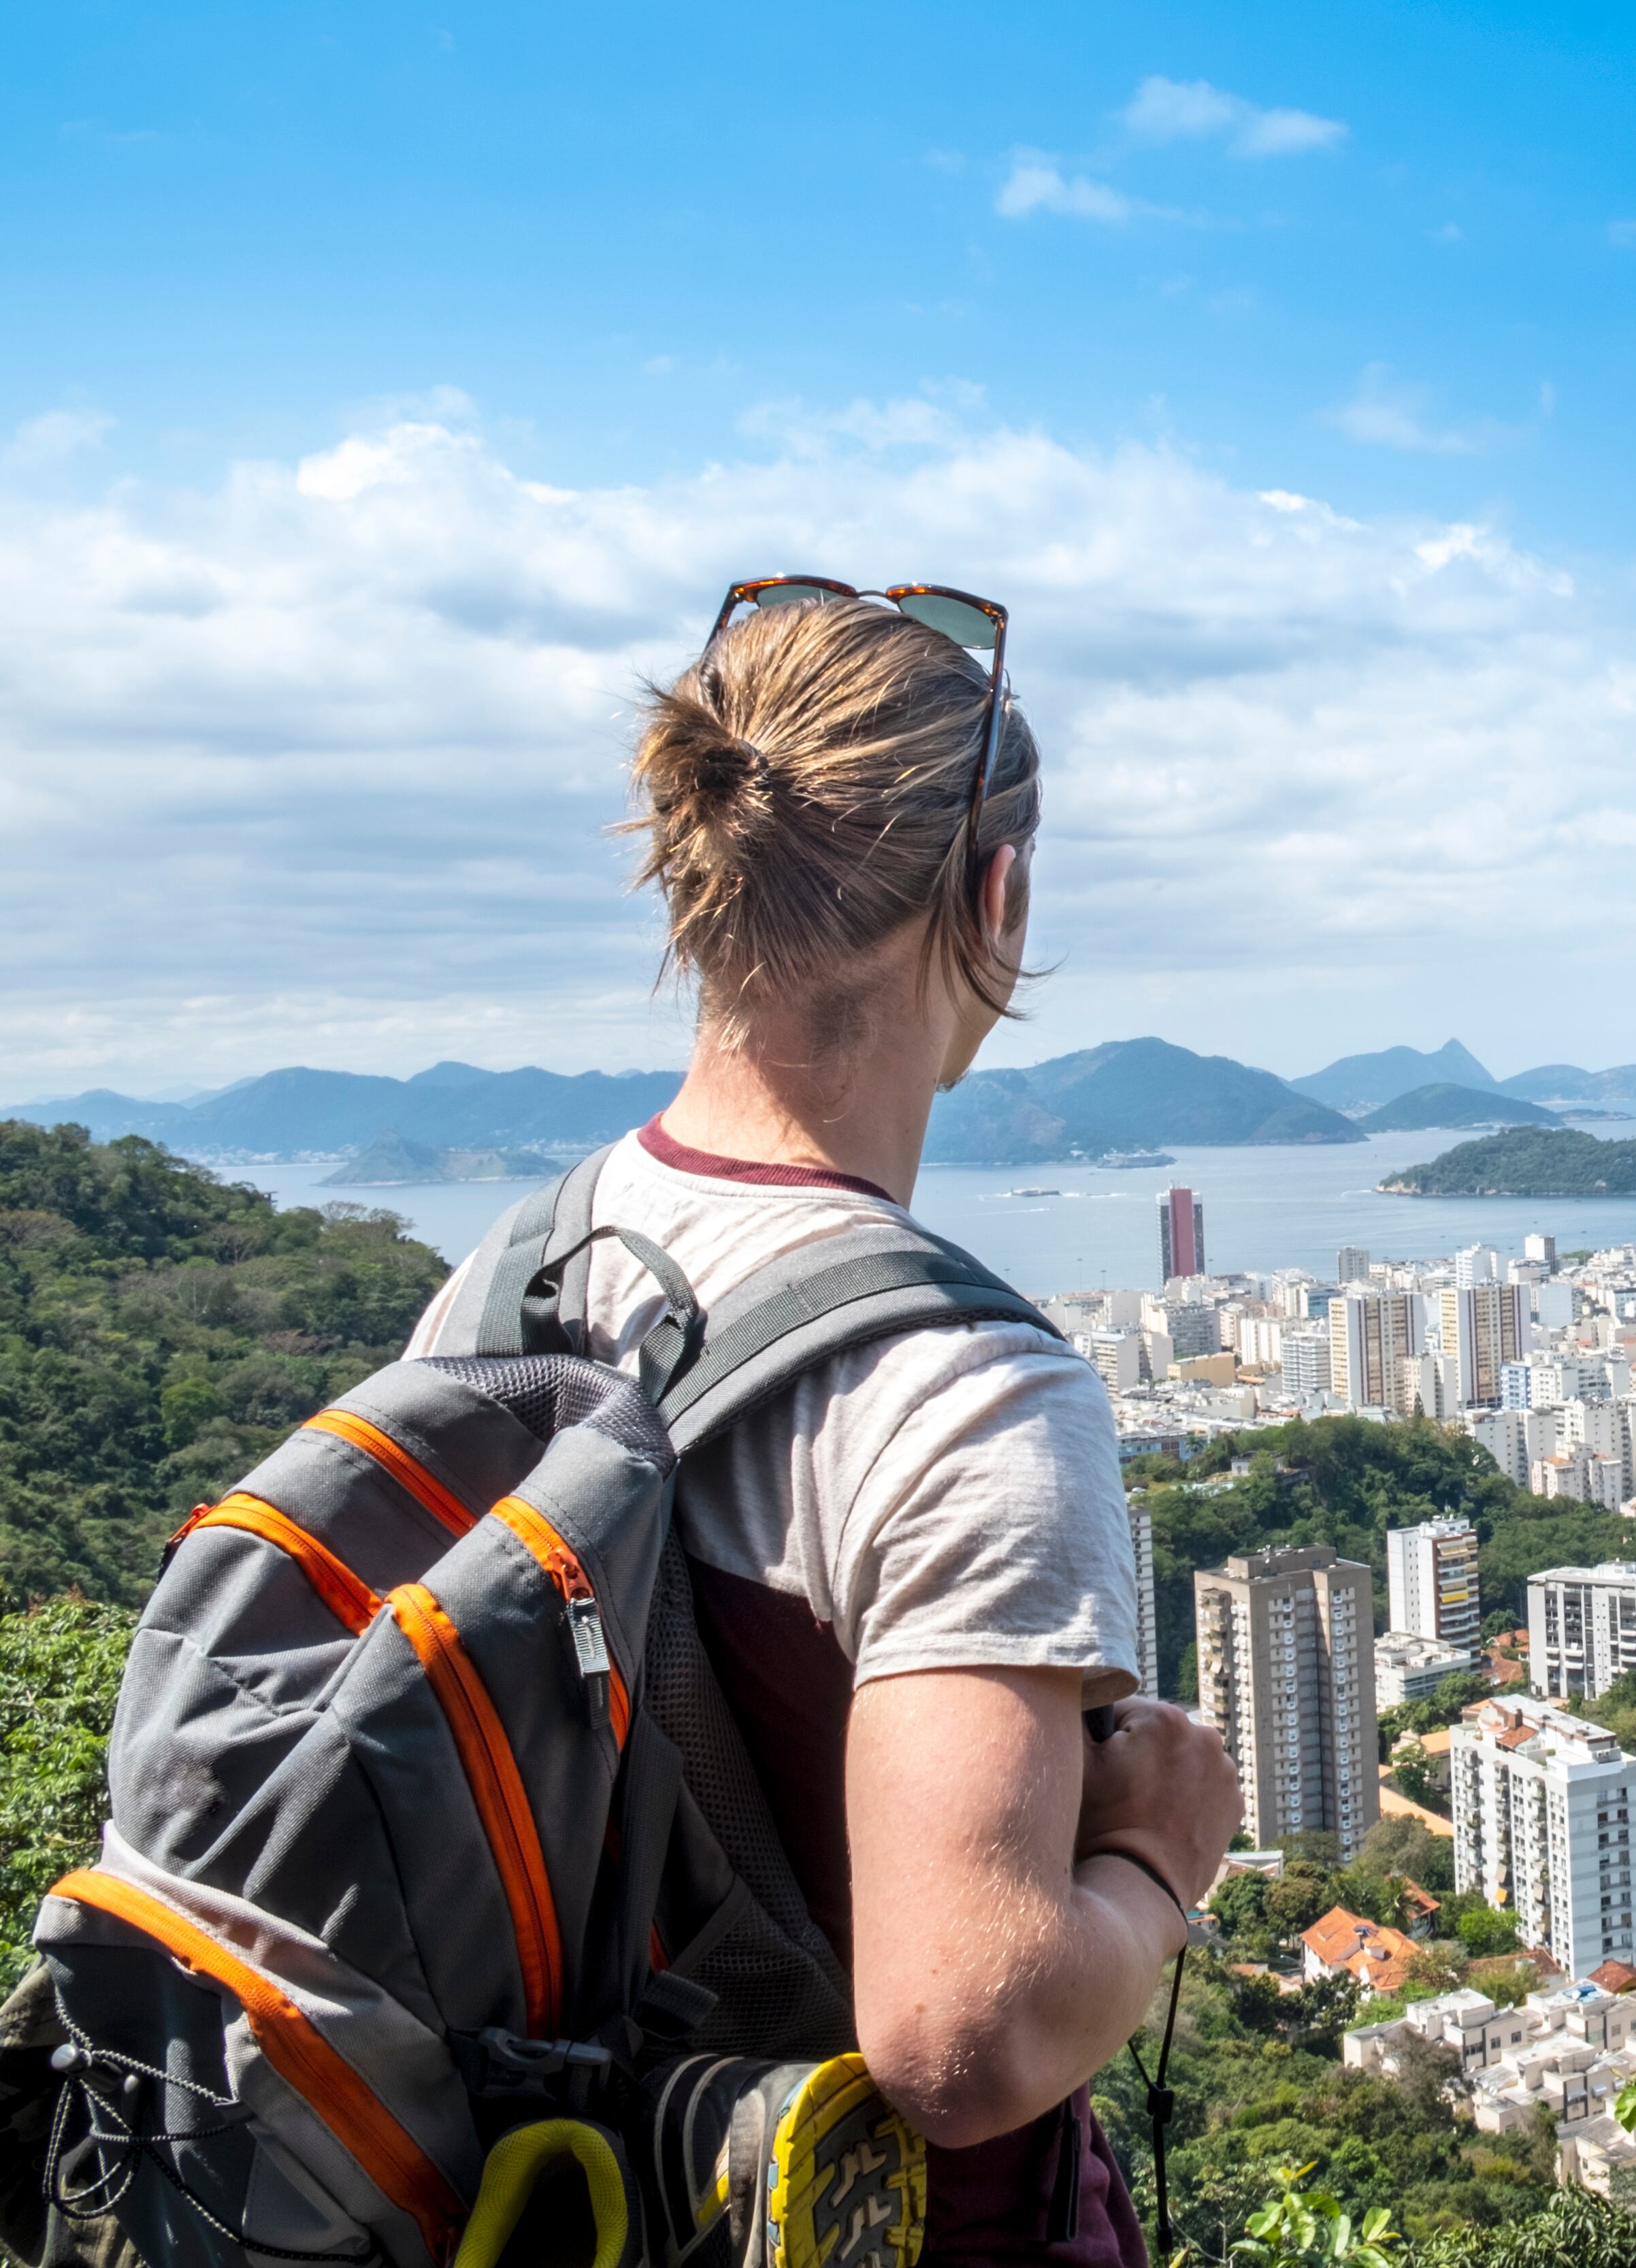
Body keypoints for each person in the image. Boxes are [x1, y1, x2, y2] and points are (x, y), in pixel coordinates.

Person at [404, 585, 1239, 2262]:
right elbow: (962, 2029)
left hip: (553, 2191)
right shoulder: (965, 1391)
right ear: (995, 902)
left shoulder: (500, 1291)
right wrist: (1159, 1859)